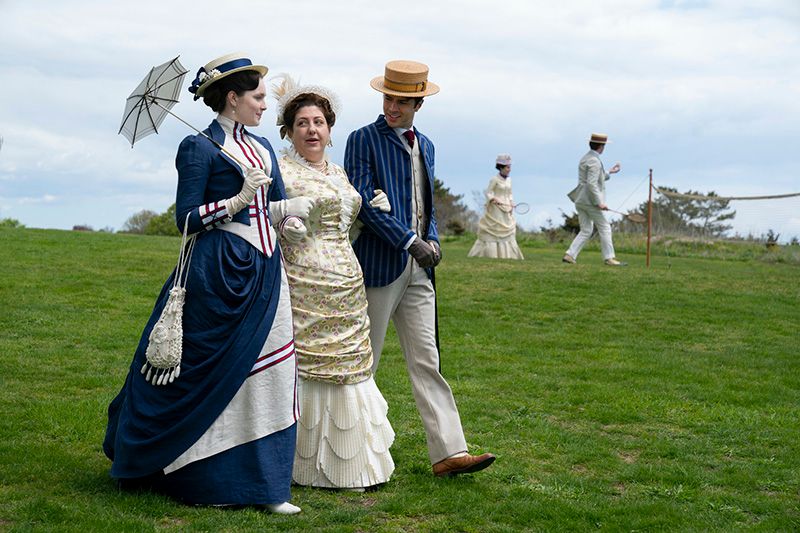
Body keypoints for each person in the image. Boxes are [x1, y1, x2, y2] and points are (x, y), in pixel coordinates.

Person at [104, 53, 313, 514]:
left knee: (271, 371)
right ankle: (194, 476)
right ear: (233, 98)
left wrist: (290, 216)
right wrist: (236, 199)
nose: (264, 104)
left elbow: (273, 206)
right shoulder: (197, 147)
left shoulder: (262, 148)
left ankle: (268, 486)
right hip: (216, 270)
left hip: (264, 270)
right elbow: (186, 219)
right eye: (257, 96)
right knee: (201, 370)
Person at [344, 60, 496, 477]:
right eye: (387, 98)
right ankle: (352, 451)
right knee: (365, 362)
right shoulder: (362, 139)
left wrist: (433, 242)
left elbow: (424, 206)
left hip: (419, 273)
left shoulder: (426, 145)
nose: (392, 107)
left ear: (418, 103)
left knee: (428, 361)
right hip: (379, 265)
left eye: (401, 101)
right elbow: (360, 201)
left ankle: (449, 452)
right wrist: (410, 242)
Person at [270, 74, 396, 490]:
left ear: (329, 128)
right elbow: (265, 213)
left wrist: (369, 209)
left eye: (319, 122)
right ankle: (300, 465)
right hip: (303, 275)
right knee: (309, 363)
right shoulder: (281, 169)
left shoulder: (340, 172)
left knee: (349, 364)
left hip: (345, 276)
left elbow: (345, 225)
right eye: (303, 123)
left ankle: (355, 465)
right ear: (289, 131)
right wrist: (283, 215)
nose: (312, 129)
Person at [563, 133, 626, 266]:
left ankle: (570, 255)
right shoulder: (594, 160)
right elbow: (591, 183)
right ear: (601, 146)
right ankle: (609, 258)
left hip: (580, 200)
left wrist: (610, 172)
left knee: (586, 230)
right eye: (604, 145)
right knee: (605, 227)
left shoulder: (586, 158)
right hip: (590, 202)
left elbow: (595, 178)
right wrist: (599, 203)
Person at [468, 153, 524, 259]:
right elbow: (488, 192)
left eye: (510, 167)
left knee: (508, 230)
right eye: (508, 167)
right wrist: (493, 199)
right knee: (495, 230)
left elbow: (510, 193)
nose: (509, 169)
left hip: (507, 208)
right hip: (496, 209)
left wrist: (511, 202)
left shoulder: (509, 180)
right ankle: (491, 254)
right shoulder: (494, 179)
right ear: (501, 167)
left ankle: (508, 255)